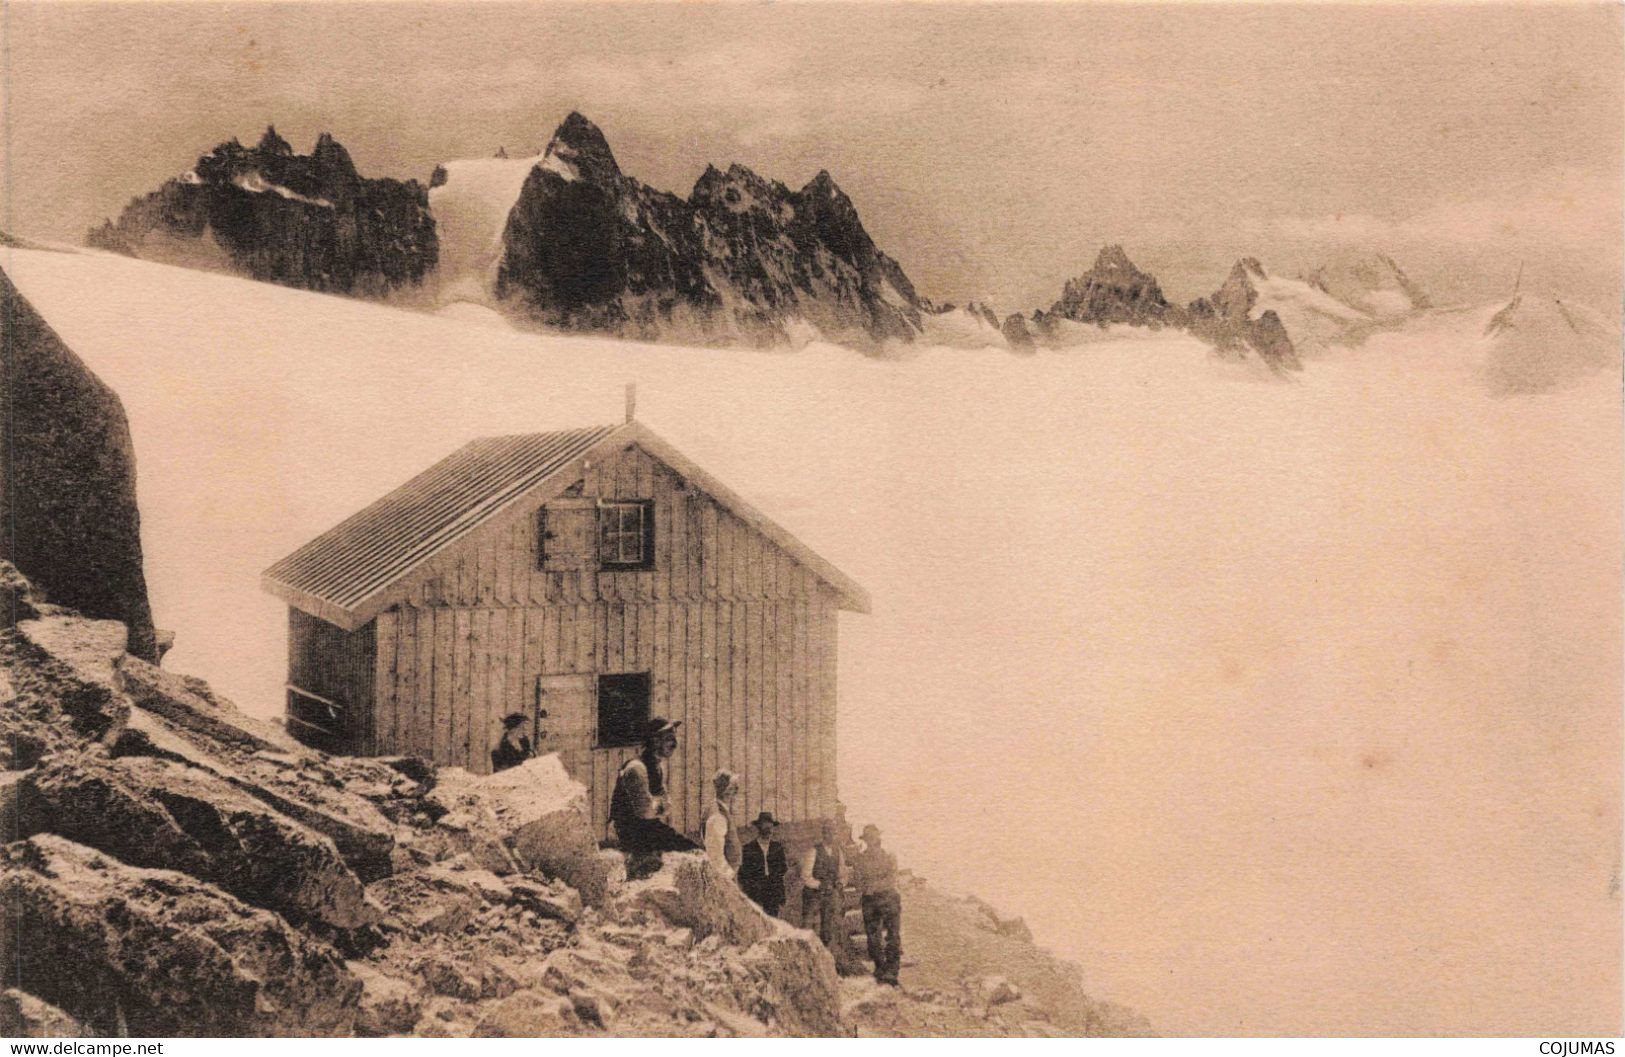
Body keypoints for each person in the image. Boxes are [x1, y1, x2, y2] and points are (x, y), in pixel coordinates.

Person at [609, 717, 699, 875]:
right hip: (631, 835)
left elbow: (666, 807)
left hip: (648, 829)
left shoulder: (657, 769)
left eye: (675, 738)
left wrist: (656, 805)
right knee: (690, 853)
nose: (675, 744)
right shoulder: (636, 768)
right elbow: (646, 812)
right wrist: (658, 806)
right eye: (669, 739)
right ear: (655, 741)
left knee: (693, 851)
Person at [800, 819, 860, 973]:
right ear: (823, 834)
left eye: (833, 832)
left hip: (830, 895)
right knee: (810, 926)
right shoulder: (814, 851)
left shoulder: (838, 851)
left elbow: (842, 873)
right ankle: (808, 962)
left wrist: (841, 883)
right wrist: (820, 885)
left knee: (829, 927)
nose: (830, 835)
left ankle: (826, 962)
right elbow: (806, 876)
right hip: (814, 895)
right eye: (827, 832)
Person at [851, 823, 902, 986]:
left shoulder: (889, 856)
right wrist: (867, 888)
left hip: (889, 899)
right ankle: (880, 968)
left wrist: (874, 886)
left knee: (893, 936)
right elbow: (858, 881)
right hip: (870, 901)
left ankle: (892, 972)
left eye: (874, 837)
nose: (872, 841)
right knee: (873, 937)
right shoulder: (860, 859)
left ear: (879, 838)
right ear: (865, 841)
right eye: (868, 839)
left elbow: (892, 878)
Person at [737, 811, 788, 917]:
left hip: (773, 892)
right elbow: (743, 874)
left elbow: (783, 868)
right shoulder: (748, 848)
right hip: (756, 892)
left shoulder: (777, 847)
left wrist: (775, 883)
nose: (769, 829)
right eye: (765, 826)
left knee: (774, 924)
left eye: (771, 827)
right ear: (759, 827)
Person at [703, 770, 742, 876]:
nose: (736, 793)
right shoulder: (717, 816)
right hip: (723, 877)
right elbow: (715, 857)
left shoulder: (721, 811)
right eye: (734, 788)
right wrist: (729, 877)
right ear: (727, 791)